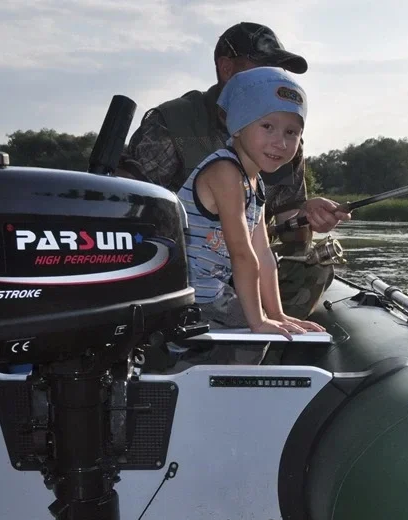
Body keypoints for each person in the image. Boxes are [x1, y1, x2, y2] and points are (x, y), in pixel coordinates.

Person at [117, 22, 350, 318]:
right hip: (178, 267)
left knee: (314, 266)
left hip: (246, 261)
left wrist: (310, 215)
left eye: (280, 70)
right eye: (263, 68)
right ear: (226, 68)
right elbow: (127, 210)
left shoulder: (285, 139)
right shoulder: (172, 122)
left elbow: (289, 229)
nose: (275, 78)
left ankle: (271, 348)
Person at [176, 67, 323, 365]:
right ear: (238, 127)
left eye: (291, 132)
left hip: (212, 293)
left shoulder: (255, 183)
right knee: (256, 333)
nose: (280, 143)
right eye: (267, 126)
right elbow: (243, 255)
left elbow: (263, 254)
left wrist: (276, 313)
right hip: (189, 296)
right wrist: (258, 322)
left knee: (266, 328)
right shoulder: (225, 172)